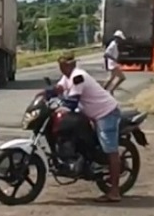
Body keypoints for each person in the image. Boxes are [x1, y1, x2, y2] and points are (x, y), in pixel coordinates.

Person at [50, 51, 123, 203]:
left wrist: (60, 107)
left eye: (64, 64)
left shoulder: (78, 76)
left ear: (70, 64)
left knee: (110, 149)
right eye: (60, 65)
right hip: (92, 113)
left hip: (106, 113)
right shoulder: (68, 76)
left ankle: (115, 191)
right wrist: (44, 95)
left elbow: (72, 102)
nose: (62, 68)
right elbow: (59, 88)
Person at [104, 30, 126, 95]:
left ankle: (104, 91)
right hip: (112, 64)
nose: (120, 41)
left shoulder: (115, 44)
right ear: (117, 38)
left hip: (113, 64)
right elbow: (106, 54)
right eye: (120, 39)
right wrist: (114, 59)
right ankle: (111, 90)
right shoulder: (113, 44)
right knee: (122, 77)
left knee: (111, 78)